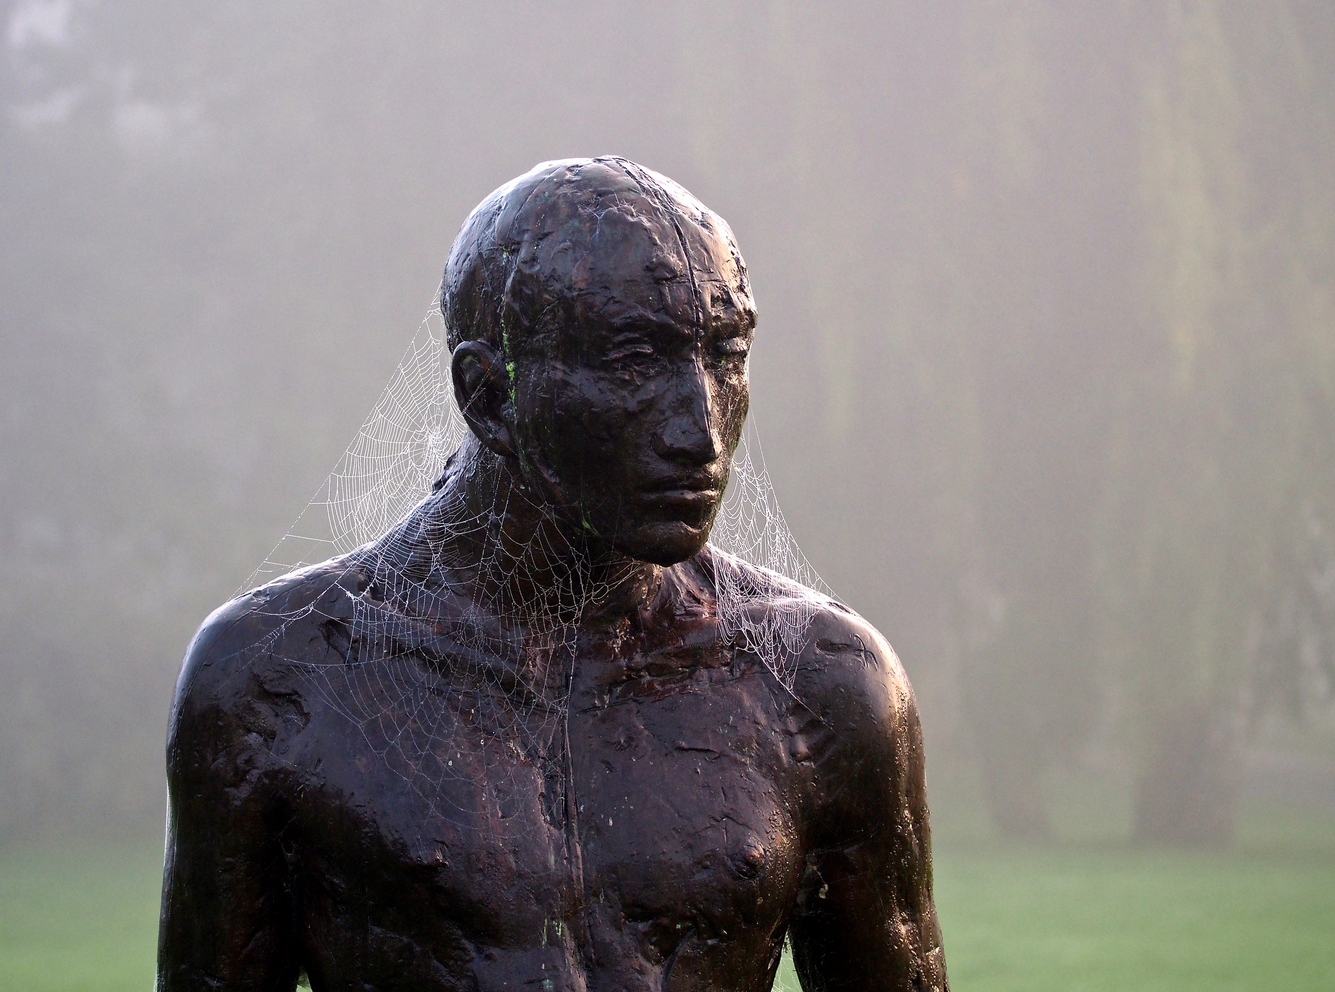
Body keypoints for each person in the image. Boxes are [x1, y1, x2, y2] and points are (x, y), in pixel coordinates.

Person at [158, 157, 947, 992]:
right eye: (634, 360)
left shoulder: (824, 688)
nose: (701, 433)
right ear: (489, 398)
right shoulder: (278, 681)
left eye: (726, 352)